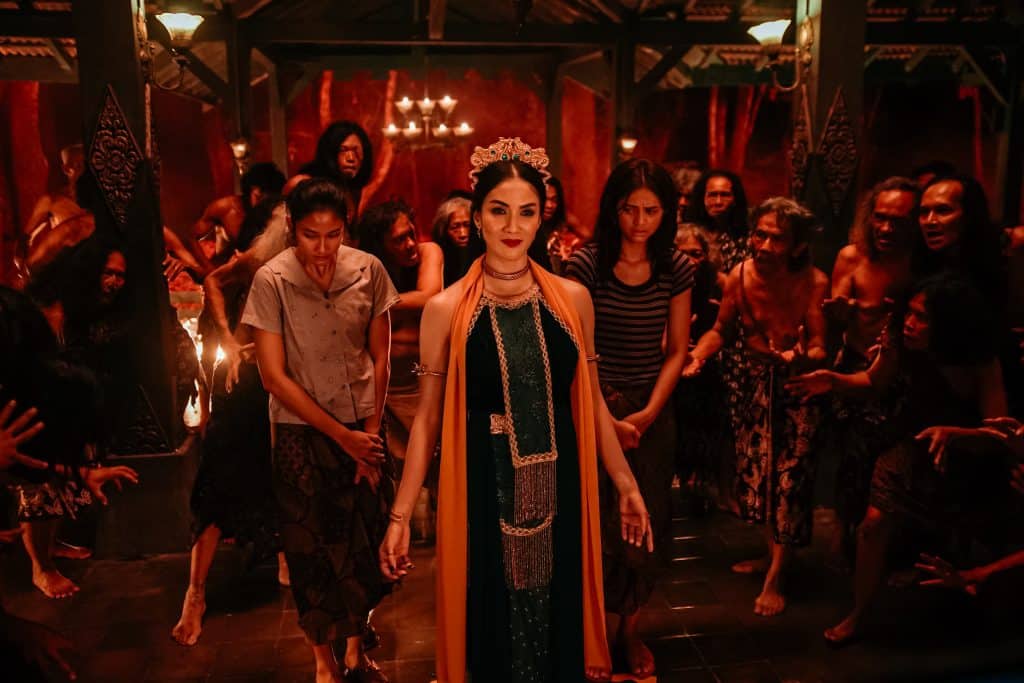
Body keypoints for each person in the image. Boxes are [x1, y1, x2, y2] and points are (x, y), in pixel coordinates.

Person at [378, 137, 654, 683]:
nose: (513, 225)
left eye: (527, 212)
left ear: (541, 218)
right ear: (476, 216)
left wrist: (626, 485)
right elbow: (429, 420)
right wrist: (401, 515)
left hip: (562, 483)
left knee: (557, 620)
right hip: (482, 485)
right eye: (499, 210)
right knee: (492, 624)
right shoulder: (445, 309)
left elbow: (591, 400)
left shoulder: (572, 299)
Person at [788, 276, 1008, 645]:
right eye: (909, 313)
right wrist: (834, 379)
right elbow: (873, 381)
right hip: (915, 441)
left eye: (922, 318)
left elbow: (999, 431)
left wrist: (957, 434)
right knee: (873, 524)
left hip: (972, 455)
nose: (909, 322)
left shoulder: (979, 358)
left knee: (973, 526)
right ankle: (858, 613)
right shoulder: (899, 340)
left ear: (947, 324)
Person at [243, 178, 398, 682]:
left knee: (362, 542)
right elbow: (273, 376)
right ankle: (323, 663)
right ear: (293, 229)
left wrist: (369, 435)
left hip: (363, 426)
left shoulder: (368, 270)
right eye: (312, 235)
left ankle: (355, 650)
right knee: (311, 550)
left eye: (333, 235)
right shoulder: (271, 280)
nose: (324, 248)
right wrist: (341, 436)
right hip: (300, 434)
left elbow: (381, 354)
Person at [565, 158, 693, 678]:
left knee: (650, 519)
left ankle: (631, 629)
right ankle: (593, 628)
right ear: (612, 209)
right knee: (597, 521)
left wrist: (647, 414)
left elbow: (678, 350)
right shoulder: (587, 264)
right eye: (629, 210)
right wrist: (608, 417)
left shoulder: (676, 267)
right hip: (595, 401)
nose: (640, 222)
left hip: (652, 407)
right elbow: (578, 351)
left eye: (651, 211)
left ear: (667, 214)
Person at [683, 197, 829, 617]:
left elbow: (821, 345)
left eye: (776, 238)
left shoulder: (815, 281)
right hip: (752, 386)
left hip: (800, 387)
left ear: (798, 245)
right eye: (759, 234)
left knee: (790, 481)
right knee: (763, 480)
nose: (763, 245)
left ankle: (776, 577)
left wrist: (804, 354)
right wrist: (697, 357)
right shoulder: (738, 277)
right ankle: (776, 557)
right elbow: (721, 330)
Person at [824, 177, 918, 566]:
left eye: (898, 220)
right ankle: (845, 537)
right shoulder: (851, 257)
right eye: (880, 218)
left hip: (901, 379)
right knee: (850, 462)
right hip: (852, 368)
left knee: (892, 472)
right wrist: (838, 316)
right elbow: (833, 324)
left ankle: (890, 551)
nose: (886, 228)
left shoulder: (918, 264)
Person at [355, 200, 443, 470]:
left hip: (425, 381)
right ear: (381, 246)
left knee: (437, 465)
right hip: (388, 389)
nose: (410, 244)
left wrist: (373, 305)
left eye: (411, 233)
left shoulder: (429, 252)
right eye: (399, 240)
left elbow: (430, 297)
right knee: (396, 471)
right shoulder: (366, 269)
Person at [673, 223, 726, 515]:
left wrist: (698, 354)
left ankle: (704, 489)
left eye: (696, 253)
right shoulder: (662, 282)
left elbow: (724, 326)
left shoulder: (717, 282)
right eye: (683, 253)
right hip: (668, 367)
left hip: (705, 364)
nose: (691, 260)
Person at [190, 162, 286, 271]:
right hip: (227, 272)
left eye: (265, 198)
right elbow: (192, 237)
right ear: (249, 189)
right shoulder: (224, 207)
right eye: (257, 196)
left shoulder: (275, 212)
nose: (259, 202)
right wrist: (208, 268)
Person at [286, 121, 374, 215]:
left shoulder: (352, 189)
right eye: (343, 150)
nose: (351, 158)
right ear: (330, 153)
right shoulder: (301, 184)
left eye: (356, 151)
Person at [683, 169, 750, 271]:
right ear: (702, 198)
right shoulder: (687, 233)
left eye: (725, 195)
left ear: (735, 199)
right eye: (712, 195)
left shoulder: (745, 238)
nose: (718, 202)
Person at [432, 194, 481, 287]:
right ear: (444, 229)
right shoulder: (438, 255)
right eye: (455, 227)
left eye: (467, 225)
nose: (463, 234)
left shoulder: (484, 252)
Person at [538, 176, 583, 275]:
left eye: (554, 200)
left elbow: (590, 239)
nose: (549, 205)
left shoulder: (564, 220)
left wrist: (570, 249)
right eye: (545, 199)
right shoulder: (527, 224)